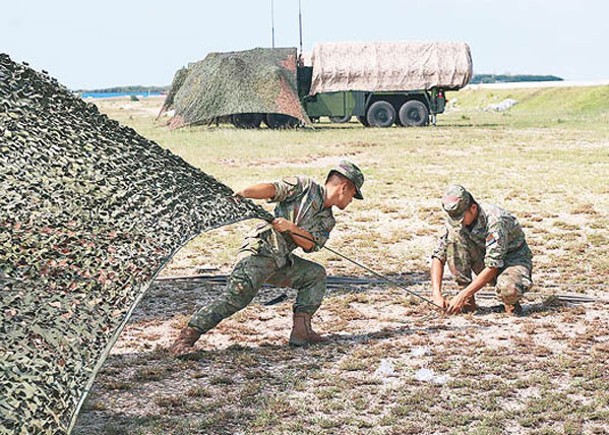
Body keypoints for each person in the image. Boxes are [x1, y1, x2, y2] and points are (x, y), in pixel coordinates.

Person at [170, 160, 364, 355]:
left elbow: (311, 245)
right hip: (260, 252)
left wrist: (291, 228)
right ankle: (186, 338)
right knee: (235, 299)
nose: (351, 200)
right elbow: (273, 189)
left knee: (315, 275)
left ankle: (301, 332)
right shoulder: (305, 186)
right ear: (344, 187)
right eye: (353, 195)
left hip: (280, 261)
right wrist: (244, 193)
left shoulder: (328, 220)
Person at [430, 185, 533, 315]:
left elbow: (493, 265)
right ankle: (468, 303)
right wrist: (436, 294)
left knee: (508, 290)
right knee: (454, 239)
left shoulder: (495, 220)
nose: (459, 223)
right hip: (483, 256)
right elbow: (438, 255)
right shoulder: (455, 221)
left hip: (512, 259)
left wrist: (461, 296)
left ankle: (510, 303)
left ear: (473, 208)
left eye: (461, 219)